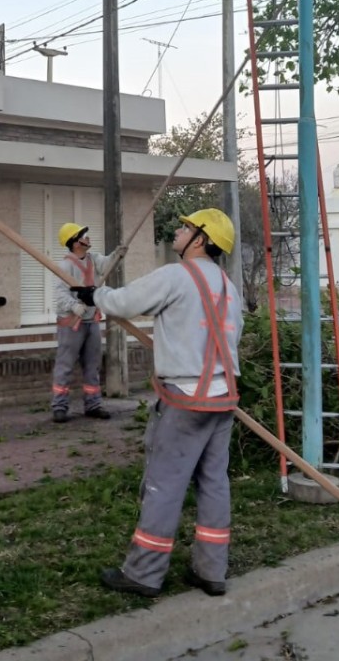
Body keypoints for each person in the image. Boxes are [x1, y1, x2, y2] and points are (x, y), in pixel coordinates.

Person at [72, 207, 243, 597]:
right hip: (224, 398)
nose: (178, 232)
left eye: (185, 228)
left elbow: (125, 302)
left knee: (164, 484)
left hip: (185, 400)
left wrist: (93, 295)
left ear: (201, 239)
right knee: (214, 483)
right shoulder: (227, 287)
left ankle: (144, 573)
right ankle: (212, 570)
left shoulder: (176, 275)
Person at [51, 222, 113, 424]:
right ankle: (59, 407)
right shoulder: (65, 266)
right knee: (65, 366)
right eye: (83, 235)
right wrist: (73, 305)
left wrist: (118, 255)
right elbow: (60, 294)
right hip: (71, 323)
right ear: (74, 241)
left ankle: (93, 405)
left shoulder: (94, 259)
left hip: (91, 322)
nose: (87, 238)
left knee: (93, 365)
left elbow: (108, 264)